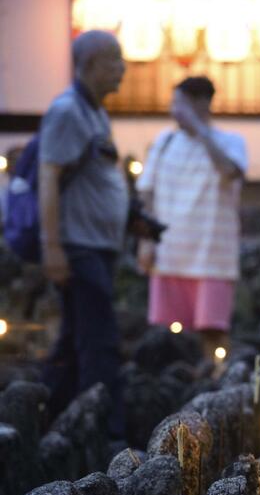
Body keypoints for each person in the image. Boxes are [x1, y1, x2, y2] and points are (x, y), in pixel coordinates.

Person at [38, 30, 128, 437]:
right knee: (98, 341)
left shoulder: (94, 111)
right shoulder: (67, 111)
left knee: (76, 341)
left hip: (97, 244)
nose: (122, 68)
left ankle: (48, 417)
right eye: (114, 59)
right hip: (78, 245)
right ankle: (104, 432)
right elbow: (48, 176)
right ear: (89, 64)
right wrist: (52, 246)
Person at [136, 76, 247, 359]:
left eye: (180, 104)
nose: (175, 111)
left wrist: (199, 130)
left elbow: (230, 171)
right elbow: (146, 194)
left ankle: (216, 386)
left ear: (203, 103)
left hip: (213, 257)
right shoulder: (164, 141)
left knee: (213, 333)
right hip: (169, 254)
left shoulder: (231, 142)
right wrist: (145, 242)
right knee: (166, 336)